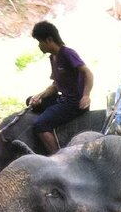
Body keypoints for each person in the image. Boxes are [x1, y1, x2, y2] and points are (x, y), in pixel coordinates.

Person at [26, 20, 93, 155]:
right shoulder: (53, 58)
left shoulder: (68, 54)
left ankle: (59, 157)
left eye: (40, 42)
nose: (39, 46)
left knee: (40, 125)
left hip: (73, 103)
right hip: (63, 98)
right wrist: (40, 96)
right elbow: (56, 85)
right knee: (30, 101)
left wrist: (86, 95)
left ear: (49, 40)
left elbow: (87, 72)